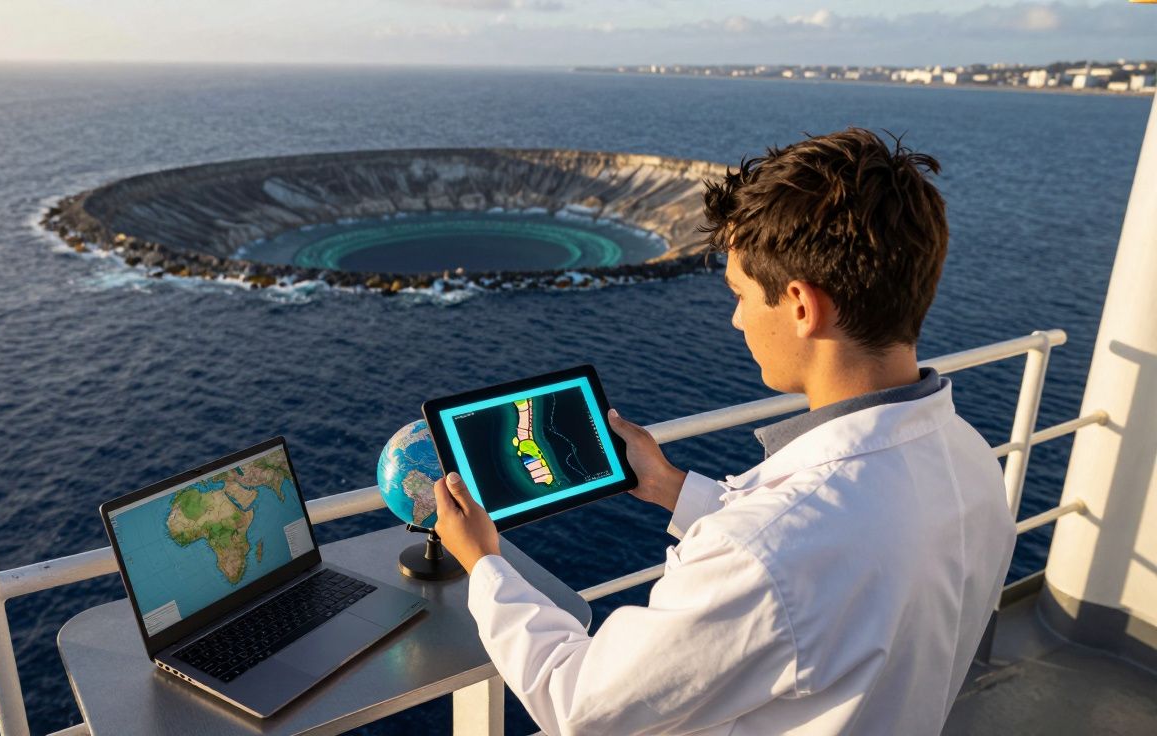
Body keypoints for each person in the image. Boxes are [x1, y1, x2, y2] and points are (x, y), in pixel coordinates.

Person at [431, 128, 1016, 735]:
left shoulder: (765, 550)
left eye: (740, 294)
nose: (736, 319)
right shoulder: (970, 457)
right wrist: (671, 487)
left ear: (800, 305)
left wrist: (485, 565)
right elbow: (820, 569)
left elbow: (578, 704)